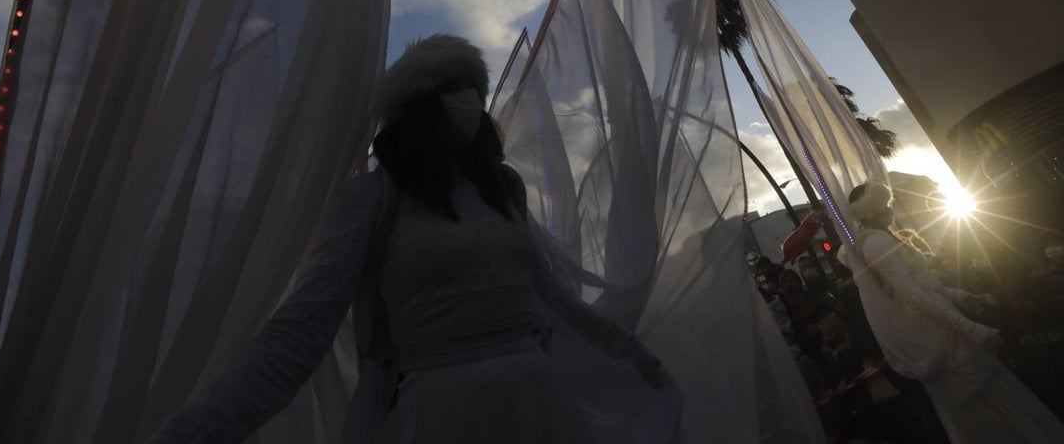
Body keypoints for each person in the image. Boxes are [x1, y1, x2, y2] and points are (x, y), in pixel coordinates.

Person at [150, 35, 676, 443]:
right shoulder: (371, 199)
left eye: (471, 87)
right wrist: (195, 434)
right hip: (443, 414)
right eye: (450, 87)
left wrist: (635, 356)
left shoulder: (502, 187)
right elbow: (301, 333)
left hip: (541, 403)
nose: (467, 99)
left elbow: (554, 297)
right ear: (416, 109)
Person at [845, 181, 1064, 444]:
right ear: (872, 212)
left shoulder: (884, 237)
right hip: (939, 334)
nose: (890, 210)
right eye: (884, 206)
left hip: (944, 324)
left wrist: (963, 297)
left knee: (999, 405)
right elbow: (910, 294)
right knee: (988, 413)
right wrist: (971, 329)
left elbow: (926, 286)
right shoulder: (876, 242)